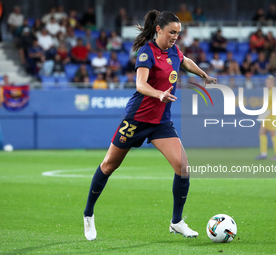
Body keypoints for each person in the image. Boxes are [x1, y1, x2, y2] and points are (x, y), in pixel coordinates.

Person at [83, 10, 217, 241]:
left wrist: (203, 74)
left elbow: (185, 61)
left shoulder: (174, 50)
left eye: (178, 32)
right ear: (158, 30)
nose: (175, 36)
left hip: (161, 122)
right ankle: (88, 215)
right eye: (171, 32)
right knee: (108, 166)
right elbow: (141, 84)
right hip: (136, 120)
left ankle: (177, 222)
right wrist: (159, 95)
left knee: (183, 167)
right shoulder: (147, 52)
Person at [255, 75, 276, 160]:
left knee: (274, 133)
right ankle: (263, 153)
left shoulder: (274, 92)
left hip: (274, 116)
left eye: (269, 82)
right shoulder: (269, 92)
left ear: (273, 83)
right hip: (267, 116)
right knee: (262, 132)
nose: (268, 84)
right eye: (267, 82)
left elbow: (273, 106)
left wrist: (263, 115)